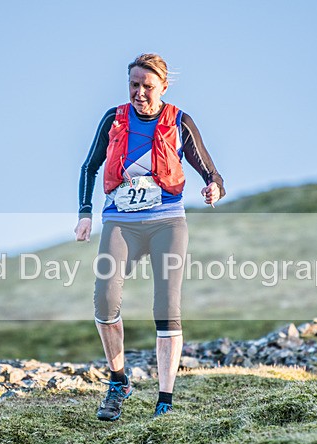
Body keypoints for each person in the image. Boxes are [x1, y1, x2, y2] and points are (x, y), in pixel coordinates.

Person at [74, 53, 226, 421]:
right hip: (121, 221)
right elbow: (89, 167)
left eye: (147, 86)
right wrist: (84, 214)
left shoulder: (179, 121)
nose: (139, 93)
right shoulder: (114, 118)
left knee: (166, 308)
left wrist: (214, 189)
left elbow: (211, 171)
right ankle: (117, 381)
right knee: (104, 301)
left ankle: (165, 400)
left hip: (167, 222)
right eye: (134, 85)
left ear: (163, 87)